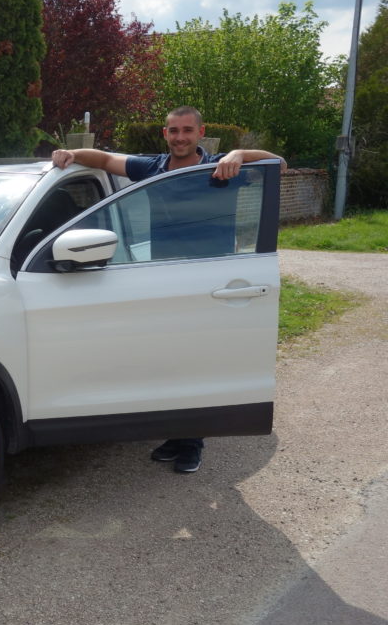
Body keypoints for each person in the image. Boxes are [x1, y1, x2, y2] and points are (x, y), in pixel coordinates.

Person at [51, 106, 286, 474]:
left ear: (200, 133)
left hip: (209, 280)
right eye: (174, 131)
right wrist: (72, 153)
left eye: (187, 130)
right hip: (164, 278)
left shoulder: (223, 167)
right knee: (170, 360)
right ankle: (177, 436)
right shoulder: (152, 168)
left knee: (198, 363)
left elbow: (279, 165)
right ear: (165, 133)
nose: (180, 137)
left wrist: (240, 154)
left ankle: (192, 442)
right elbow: (107, 159)